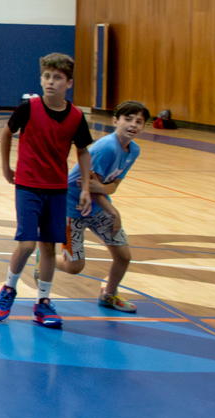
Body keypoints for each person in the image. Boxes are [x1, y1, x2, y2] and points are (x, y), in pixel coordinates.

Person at [0, 52, 93, 329]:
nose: (50, 82)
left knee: (48, 246)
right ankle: (8, 289)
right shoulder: (28, 108)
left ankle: (43, 302)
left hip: (57, 189)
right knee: (27, 244)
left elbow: (83, 151)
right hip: (28, 185)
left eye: (57, 78)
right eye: (46, 76)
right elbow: (6, 133)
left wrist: (85, 187)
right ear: (40, 79)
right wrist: (6, 167)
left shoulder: (76, 116)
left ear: (68, 83)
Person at [58, 100, 149, 312]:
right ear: (115, 121)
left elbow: (112, 186)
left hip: (99, 206)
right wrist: (113, 210)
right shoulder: (106, 147)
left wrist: (103, 190)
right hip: (72, 207)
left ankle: (109, 294)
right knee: (74, 266)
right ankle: (44, 260)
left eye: (139, 121)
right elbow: (89, 188)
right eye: (128, 119)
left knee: (123, 256)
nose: (133, 125)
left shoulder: (133, 151)